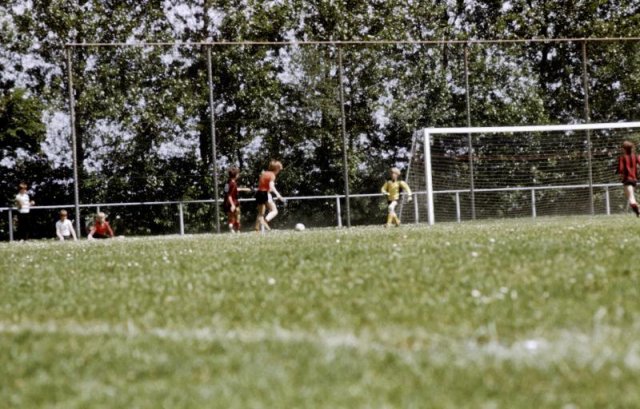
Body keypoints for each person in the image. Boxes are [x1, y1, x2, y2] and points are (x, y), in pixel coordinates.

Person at [254, 160, 285, 232]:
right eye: (279, 169)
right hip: (265, 194)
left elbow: (263, 185)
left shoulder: (264, 173)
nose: (279, 171)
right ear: (276, 168)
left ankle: (257, 229)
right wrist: (278, 195)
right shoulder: (272, 175)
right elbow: (271, 186)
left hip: (259, 193)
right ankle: (265, 221)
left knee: (261, 213)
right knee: (274, 211)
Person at [223, 166, 252, 233]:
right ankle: (237, 229)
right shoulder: (233, 184)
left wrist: (244, 189)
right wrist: (232, 205)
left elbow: (227, 192)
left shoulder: (227, 182)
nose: (238, 175)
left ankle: (232, 228)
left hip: (227, 202)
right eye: (238, 174)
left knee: (231, 216)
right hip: (233, 202)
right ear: (235, 175)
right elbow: (229, 195)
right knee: (237, 215)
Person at [617, 140, 640, 217]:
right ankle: (637, 211)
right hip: (634, 180)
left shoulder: (622, 157)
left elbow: (620, 169)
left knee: (631, 198)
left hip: (627, 179)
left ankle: (638, 210)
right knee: (631, 196)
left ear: (624, 149)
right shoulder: (635, 156)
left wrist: (620, 176)